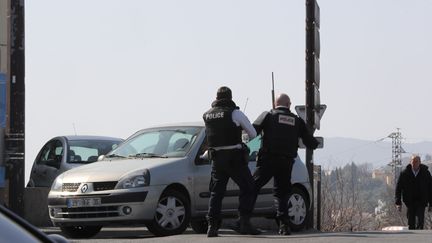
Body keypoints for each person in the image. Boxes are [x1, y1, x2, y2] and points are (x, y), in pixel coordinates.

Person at [251, 93, 319, 235]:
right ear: (288, 105)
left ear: (275, 104)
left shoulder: (268, 115)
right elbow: (310, 142)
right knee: (282, 194)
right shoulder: (296, 120)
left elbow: (252, 132)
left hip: (267, 161)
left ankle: (244, 220)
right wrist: (315, 142)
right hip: (286, 163)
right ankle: (284, 225)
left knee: (253, 187)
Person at [202, 86, 260, 237]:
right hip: (234, 158)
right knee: (248, 186)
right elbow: (253, 133)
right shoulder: (235, 113)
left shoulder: (207, 115)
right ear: (230, 97)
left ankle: (212, 226)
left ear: (216, 97)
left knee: (216, 192)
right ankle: (244, 222)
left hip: (216, 159)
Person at [395, 155, 432, 230]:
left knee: (420, 222)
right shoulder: (405, 173)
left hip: (421, 201)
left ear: (420, 163)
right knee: (411, 222)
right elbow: (398, 188)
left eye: (416, 162)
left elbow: (430, 189)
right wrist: (398, 202)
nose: (414, 163)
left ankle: (419, 239)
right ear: (410, 162)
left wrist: (431, 204)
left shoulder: (426, 173)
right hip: (409, 201)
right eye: (413, 161)